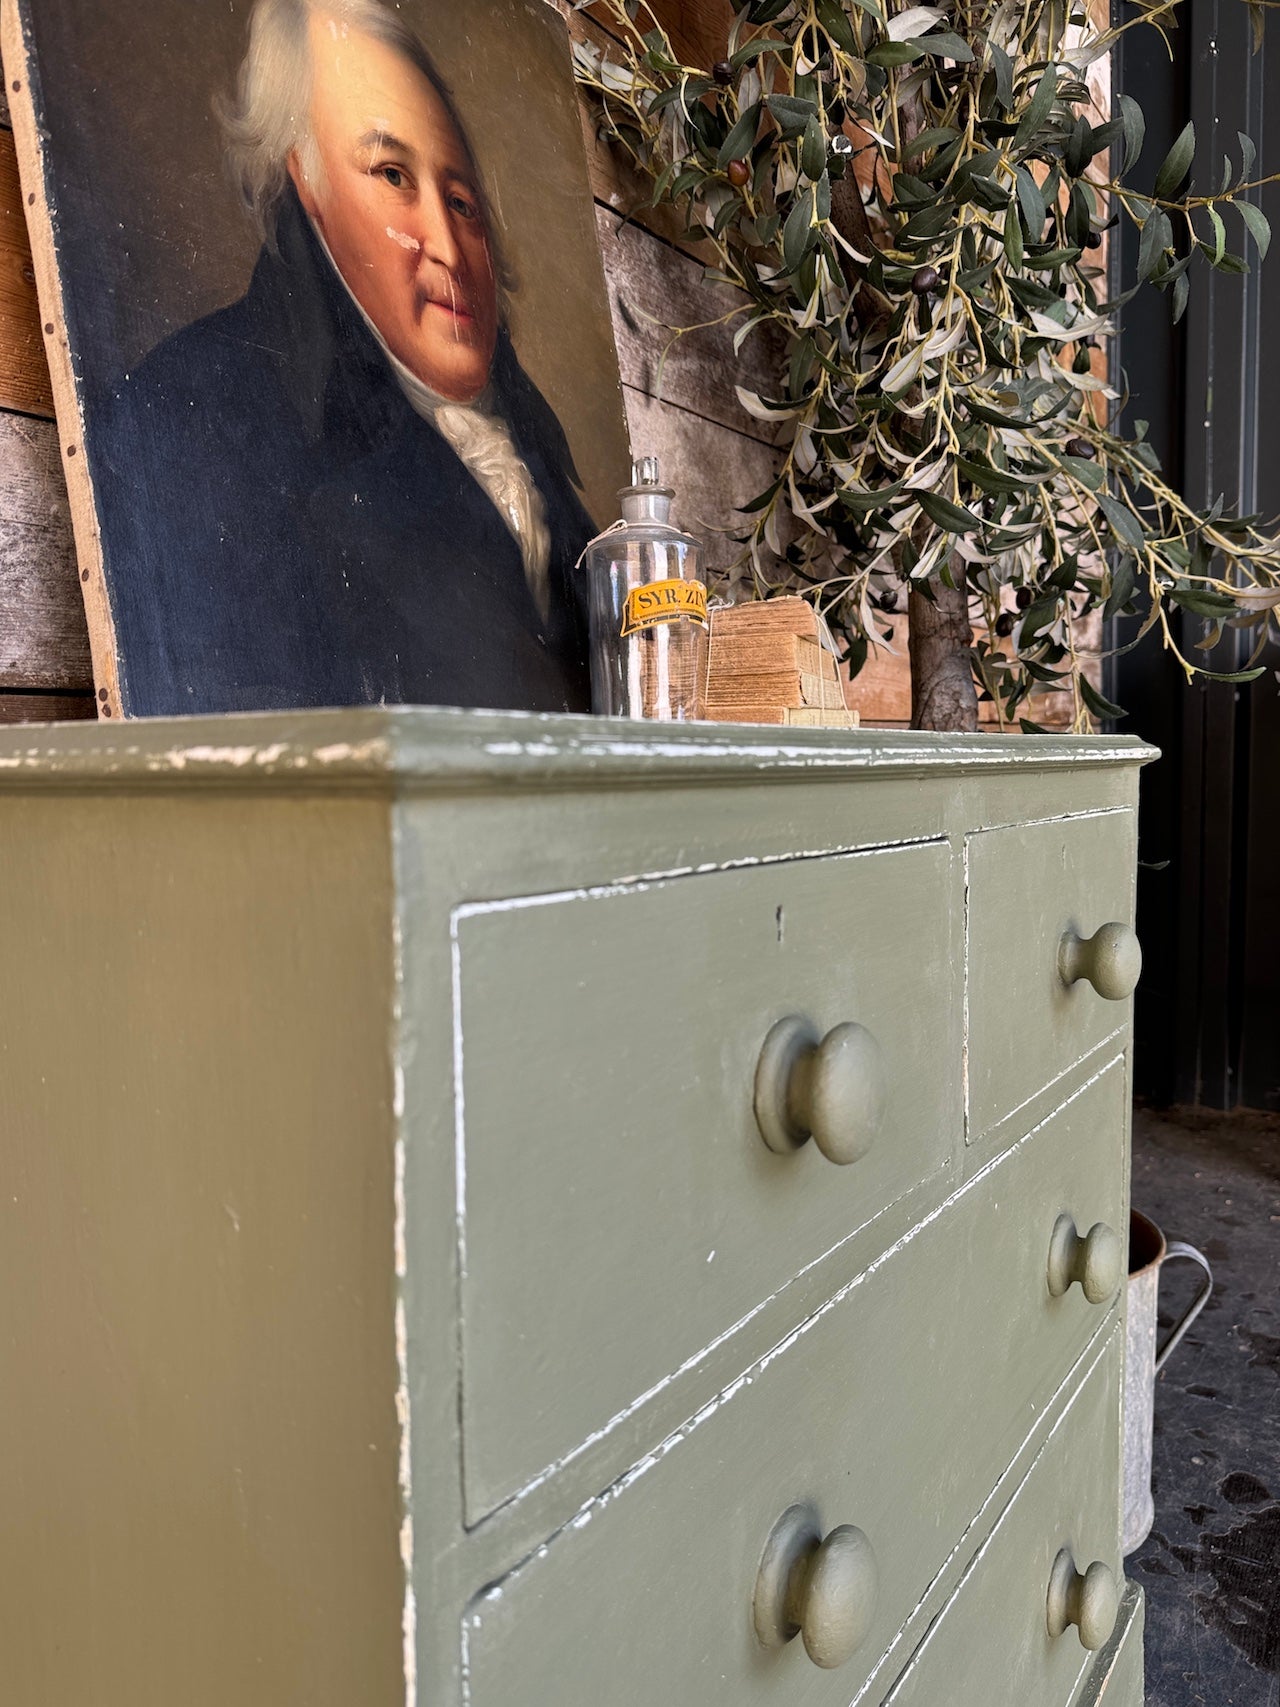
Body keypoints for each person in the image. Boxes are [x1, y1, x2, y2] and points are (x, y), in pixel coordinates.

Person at [93, 0, 598, 715]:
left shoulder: (538, 455)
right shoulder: (187, 421)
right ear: (302, 185)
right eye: (390, 175)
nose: (448, 250)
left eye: (460, 201)